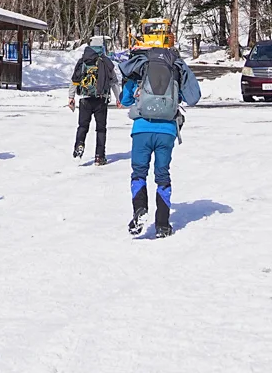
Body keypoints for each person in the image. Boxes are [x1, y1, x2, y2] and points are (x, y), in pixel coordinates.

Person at [119, 46, 201, 238]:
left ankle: (139, 209)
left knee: (139, 172)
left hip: (141, 129)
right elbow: (187, 97)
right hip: (167, 131)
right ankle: (163, 225)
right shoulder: (175, 72)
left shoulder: (139, 70)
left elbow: (125, 100)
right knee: (162, 174)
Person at [69, 38, 118, 164]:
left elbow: (75, 80)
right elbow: (113, 81)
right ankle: (99, 157)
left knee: (83, 126)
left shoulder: (83, 61)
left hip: (85, 99)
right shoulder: (105, 61)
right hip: (100, 100)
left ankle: (79, 144)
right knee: (101, 129)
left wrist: (71, 97)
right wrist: (118, 98)